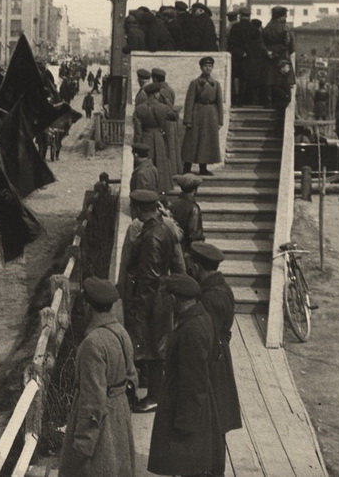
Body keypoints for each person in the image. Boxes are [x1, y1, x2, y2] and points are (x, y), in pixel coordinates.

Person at [59, 277, 138, 477]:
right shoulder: (121, 332)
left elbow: (92, 400)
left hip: (101, 429)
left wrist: (82, 446)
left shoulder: (92, 344)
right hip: (119, 419)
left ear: (88, 305)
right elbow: (132, 378)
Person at [146, 274, 222, 477]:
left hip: (188, 413)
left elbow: (193, 381)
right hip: (193, 408)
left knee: (190, 467)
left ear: (174, 299)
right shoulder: (199, 317)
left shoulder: (191, 330)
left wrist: (185, 423)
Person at [122, 189, 186, 413]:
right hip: (160, 296)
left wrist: (139, 309)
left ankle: (154, 397)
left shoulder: (151, 236)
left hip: (152, 298)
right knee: (155, 346)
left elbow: (148, 277)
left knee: (153, 348)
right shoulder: (162, 228)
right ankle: (155, 393)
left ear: (139, 209)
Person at [190, 242, 242, 471]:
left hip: (212, 365)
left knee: (210, 419)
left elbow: (206, 337)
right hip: (221, 360)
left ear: (197, 267)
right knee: (216, 420)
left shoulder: (210, 297)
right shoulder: (222, 288)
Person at [181, 57, 223, 176]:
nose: (208, 68)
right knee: (192, 140)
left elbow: (219, 103)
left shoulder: (216, 84)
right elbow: (189, 102)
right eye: (205, 66)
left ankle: (203, 168)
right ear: (201, 67)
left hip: (211, 115)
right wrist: (188, 119)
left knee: (206, 142)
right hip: (197, 113)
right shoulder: (195, 83)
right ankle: (187, 168)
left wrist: (220, 120)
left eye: (210, 66)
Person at [133, 83, 178, 193]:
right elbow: (175, 116)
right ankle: (161, 189)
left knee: (146, 165)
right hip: (159, 138)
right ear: (156, 94)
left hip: (145, 138)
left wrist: (137, 147)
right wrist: (167, 102)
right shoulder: (163, 108)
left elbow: (138, 132)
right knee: (161, 165)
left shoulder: (139, 109)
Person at [262, 6, 294, 107]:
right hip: (282, 57)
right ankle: (280, 102)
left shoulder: (266, 27)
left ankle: (268, 102)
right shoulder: (285, 28)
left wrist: (268, 52)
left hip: (269, 57)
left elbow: (262, 43)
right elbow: (288, 44)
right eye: (285, 16)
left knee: (269, 79)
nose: (285, 18)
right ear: (280, 17)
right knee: (282, 79)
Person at [165, 174, 205, 256]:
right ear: (195, 190)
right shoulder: (193, 208)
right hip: (186, 251)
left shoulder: (172, 204)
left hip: (171, 248)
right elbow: (195, 234)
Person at [226, 7, 251, 105]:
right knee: (246, 78)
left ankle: (236, 98)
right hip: (250, 57)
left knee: (236, 77)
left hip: (237, 56)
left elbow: (231, 42)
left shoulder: (235, 27)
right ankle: (244, 99)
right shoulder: (253, 27)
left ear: (240, 16)